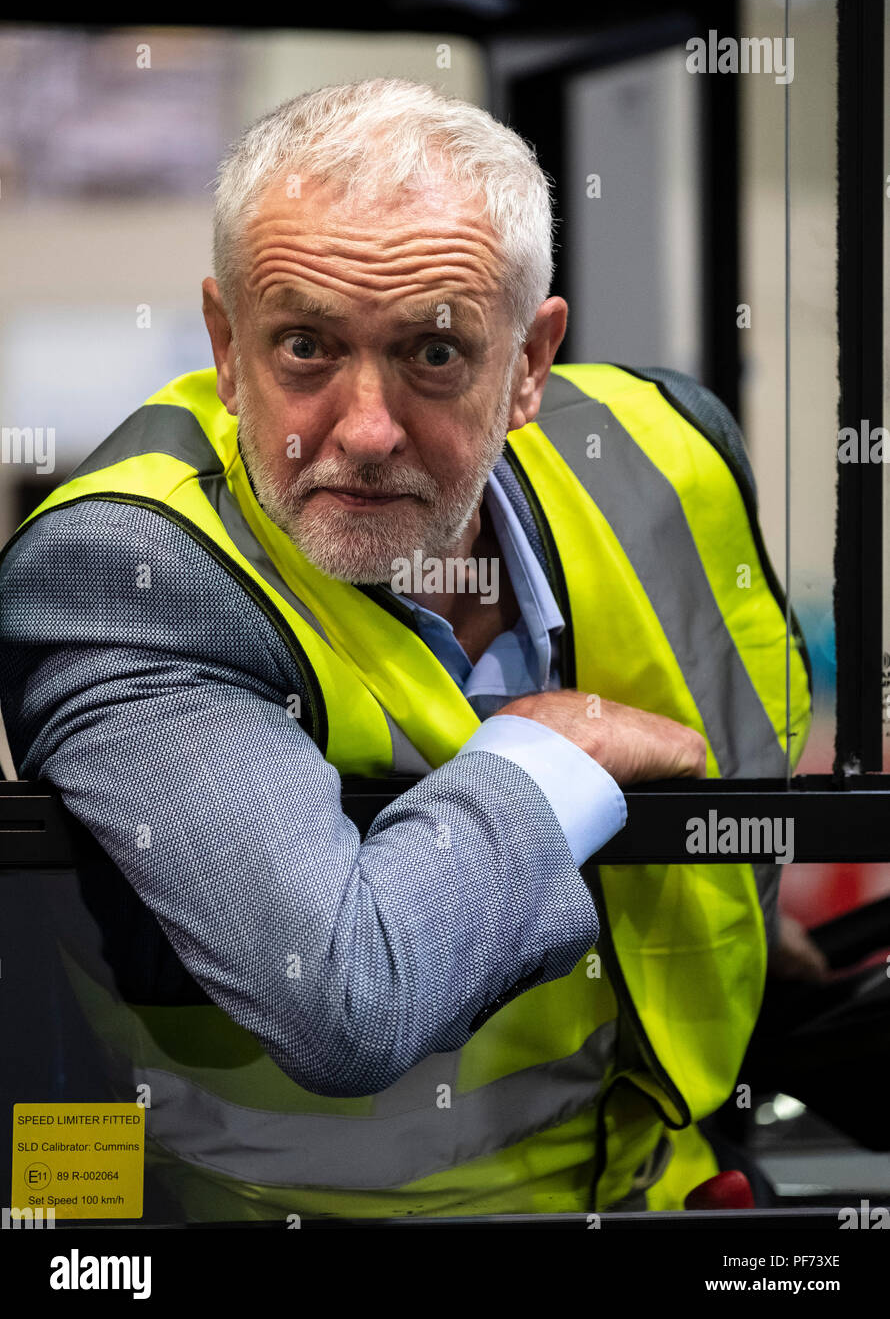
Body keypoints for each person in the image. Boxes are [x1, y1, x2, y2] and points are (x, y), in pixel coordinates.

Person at [0, 76, 814, 1222]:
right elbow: (346, 998)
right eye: (304, 347)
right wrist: (549, 755)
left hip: (663, 1195)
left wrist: (742, 921)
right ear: (226, 348)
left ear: (529, 364)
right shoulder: (127, 575)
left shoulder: (668, 460)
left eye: (434, 353)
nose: (366, 429)